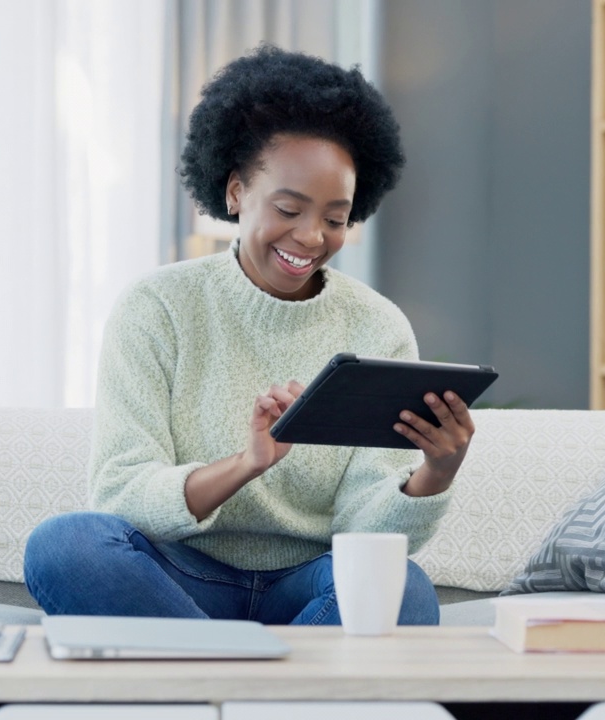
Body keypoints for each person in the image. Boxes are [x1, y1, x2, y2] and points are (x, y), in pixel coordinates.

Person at [23, 44, 475, 626]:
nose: (311, 237)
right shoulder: (157, 308)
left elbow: (368, 534)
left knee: (404, 590)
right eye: (289, 208)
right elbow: (121, 494)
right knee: (65, 546)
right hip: (182, 575)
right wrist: (247, 463)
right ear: (236, 191)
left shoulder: (377, 327)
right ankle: (264, 680)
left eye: (336, 219)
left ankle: (212, 676)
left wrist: (434, 474)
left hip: (310, 581)